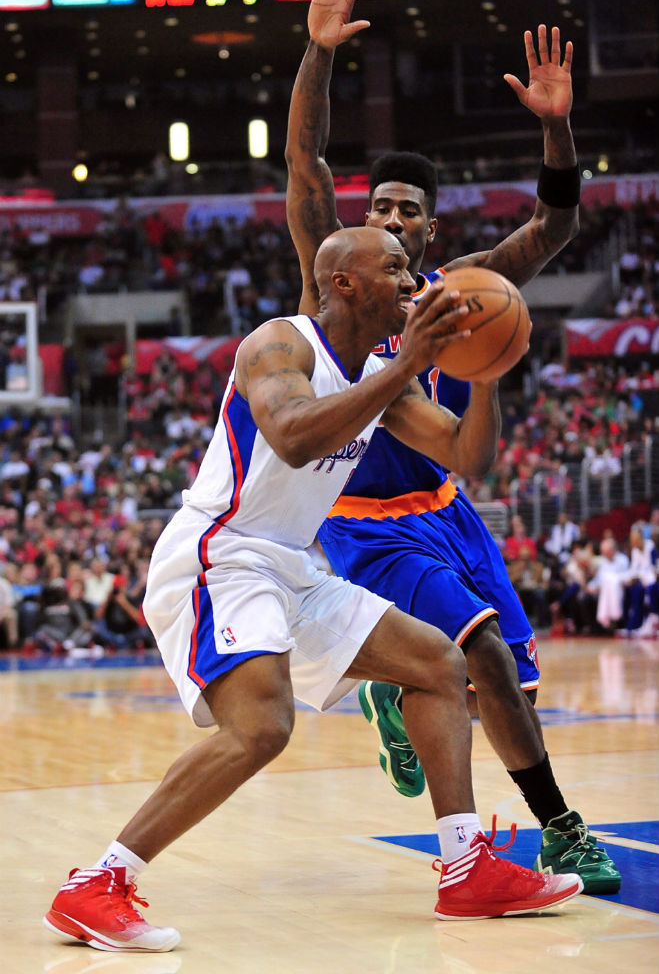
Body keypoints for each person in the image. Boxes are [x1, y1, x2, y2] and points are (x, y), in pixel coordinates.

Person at [43, 227, 583, 952]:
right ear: (344, 283)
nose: (409, 279)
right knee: (261, 726)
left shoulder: (377, 378)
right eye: (392, 267)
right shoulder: (280, 344)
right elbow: (295, 434)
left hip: (291, 563)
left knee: (438, 663)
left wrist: (481, 371)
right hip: (222, 554)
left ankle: (465, 868)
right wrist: (406, 368)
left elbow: (464, 456)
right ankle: (98, 884)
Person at [285, 0, 620, 893]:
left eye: (409, 213)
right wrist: (316, 59)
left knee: (501, 675)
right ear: (362, 225)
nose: (392, 219)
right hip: (365, 527)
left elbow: (549, 232)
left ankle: (399, 704)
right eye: (380, 207)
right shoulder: (336, 279)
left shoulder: (463, 291)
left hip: (448, 509)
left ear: (429, 232)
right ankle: (558, 830)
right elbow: (303, 165)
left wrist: (557, 132)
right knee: (475, 656)